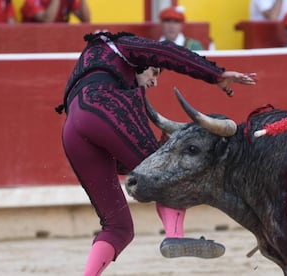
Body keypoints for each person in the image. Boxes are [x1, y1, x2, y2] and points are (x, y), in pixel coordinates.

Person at [55, 31, 257, 275]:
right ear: (144, 63)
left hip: (72, 130)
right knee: (166, 173)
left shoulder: (94, 62)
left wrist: (156, 151)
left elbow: (125, 166)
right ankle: (174, 235)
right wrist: (216, 74)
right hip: (100, 107)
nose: (154, 81)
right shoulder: (121, 45)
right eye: (155, 72)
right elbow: (167, 52)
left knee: (118, 227)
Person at [20, 0, 90, 23]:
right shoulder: (31, 1)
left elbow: (86, 20)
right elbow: (47, 21)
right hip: (37, 44)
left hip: (60, 40)